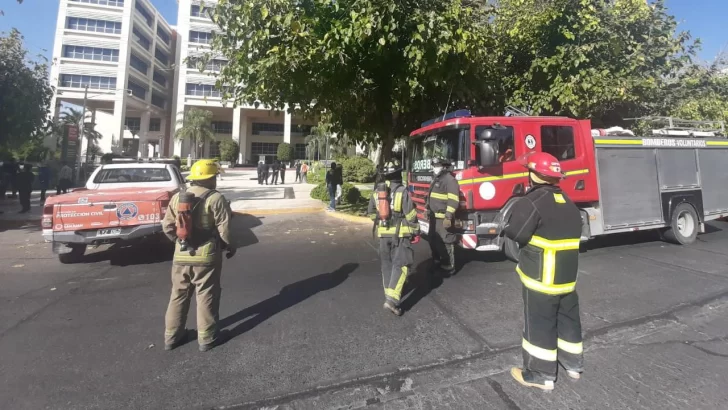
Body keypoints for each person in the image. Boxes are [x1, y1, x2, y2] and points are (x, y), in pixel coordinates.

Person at [504, 151, 583, 391]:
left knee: (539, 324)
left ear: (535, 175)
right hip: (567, 280)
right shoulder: (568, 202)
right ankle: (573, 365)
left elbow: (515, 233)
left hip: (541, 279)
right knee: (568, 320)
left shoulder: (531, 202)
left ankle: (540, 374)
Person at [162, 159, 236, 352]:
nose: (216, 181)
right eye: (215, 177)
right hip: (206, 257)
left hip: (181, 254)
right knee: (206, 295)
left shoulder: (178, 198)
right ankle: (208, 337)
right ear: (210, 178)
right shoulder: (215, 198)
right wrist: (230, 246)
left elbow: (167, 226)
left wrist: (178, 242)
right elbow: (225, 230)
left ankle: (172, 336)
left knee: (178, 295)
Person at [368, 161, 419, 316]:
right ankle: (392, 301)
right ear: (398, 175)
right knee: (402, 265)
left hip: (383, 235)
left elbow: (371, 213)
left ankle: (389, 294)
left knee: (386, 265)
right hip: (400, 234)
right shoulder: (402, 191)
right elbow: (410, 214)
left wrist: (383, 221)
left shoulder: (378, 191)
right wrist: (415, 230)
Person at [425, 158, 460, 275]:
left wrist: (448, 216)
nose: (435, 167)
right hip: (434, 217)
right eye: (434, 165)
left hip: (443, 218)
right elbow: (430, 196)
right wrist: (427, 209)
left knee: (446, 241)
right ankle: (437, 261)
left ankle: (449, 266)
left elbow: (453, 200)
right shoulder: (436, 179)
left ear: (444, 166)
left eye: (437, 165)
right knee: (432, 239)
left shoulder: (450, 180)